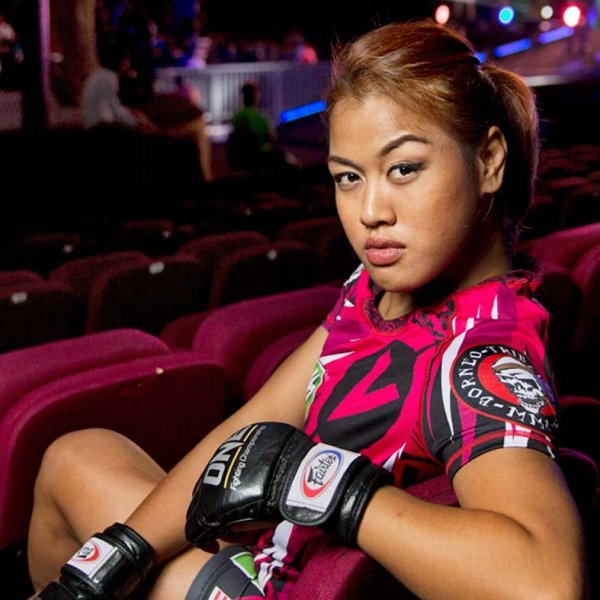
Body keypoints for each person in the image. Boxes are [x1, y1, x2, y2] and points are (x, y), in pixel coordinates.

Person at [28, 20, 586, 600]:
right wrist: (120, 554)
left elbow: (547, 584)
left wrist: (329, 489)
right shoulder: (375, 289)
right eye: (348, 177)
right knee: (77, 451)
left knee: (70, 474)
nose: (370, 211)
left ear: (490, 161)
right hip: (274, 558)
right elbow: (263, 419)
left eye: (404, 169)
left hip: (284, 590)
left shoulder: (480, 350)